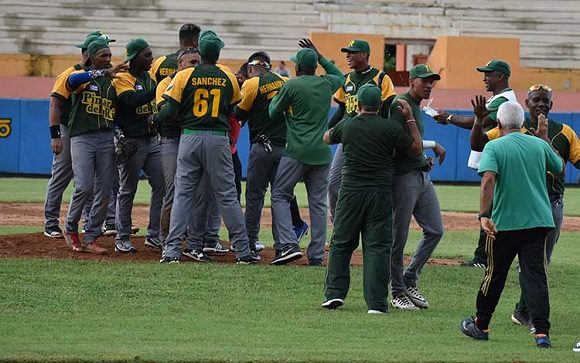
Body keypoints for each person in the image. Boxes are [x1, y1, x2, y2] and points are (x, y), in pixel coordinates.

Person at [470, 84, 580, 331]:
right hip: (528, 210)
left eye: (545, 100)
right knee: (533, 268)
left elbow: (572, 163)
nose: (541, 104)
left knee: (538, 264)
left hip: (550, 204)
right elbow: (478, 143)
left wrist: (544, 140)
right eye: (536, 100)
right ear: (527, 104)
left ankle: (517, 313)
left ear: (551, 104)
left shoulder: (564, 131)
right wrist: (478, 121)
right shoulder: (512, 128)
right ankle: (533, 320)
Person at [459, 101, 564, 349]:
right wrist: (544, 138)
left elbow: (488, 180)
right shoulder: (539, 144)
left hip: (504, 224)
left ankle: (481, 325)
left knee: (494, 275)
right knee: (536, 277)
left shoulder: (495, 146)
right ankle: (541, 332)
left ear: (498, 124)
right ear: (522, 123)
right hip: (538, 222)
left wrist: (484, 214)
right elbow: (559, 167)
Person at [154, 30, 259, 264]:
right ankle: (243, 252)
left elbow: (169, 110)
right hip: (217, 137)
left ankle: (171, 252)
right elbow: (233, 109)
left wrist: (156, 118)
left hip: (189, 137)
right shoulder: (226, 76)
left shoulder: (184, 76)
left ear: (200, 52)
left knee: (182, 195)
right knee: (227, 196)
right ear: (218, 52)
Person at [321, 84, 423, 313]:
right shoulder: (389, 128)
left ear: (358, 104)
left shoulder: (348, 125)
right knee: (378, 247)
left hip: (350, 193)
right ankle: (376, 303)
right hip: (379, 193)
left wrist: (346, 120)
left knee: (341, 242)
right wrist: (409, 119)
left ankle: (334, 294)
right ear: (380, 104)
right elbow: (416, 149)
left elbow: (327, 138)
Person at [268, 40, 345, 266]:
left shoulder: (291, 86)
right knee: (318, 204)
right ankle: (317, 256)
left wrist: (286, 108)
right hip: (322, 152)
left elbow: (273, 113)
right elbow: (340, 76)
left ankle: (290, 244)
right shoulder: (325, 83)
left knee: (280, 195)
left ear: (298, 68)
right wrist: (320, 56)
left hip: (296, 151)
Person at [434, 60, 516, 268]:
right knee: (492, 209)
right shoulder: (500, 98)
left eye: (489, 74)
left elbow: (478, 120)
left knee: (489, 210)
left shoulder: (504, 99)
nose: (484, 78)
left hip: (499, 162)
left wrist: (449, 118)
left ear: (501, 76)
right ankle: (488, 257)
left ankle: (483, 259)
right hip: (499, 160)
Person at [234, 51, 309, 254]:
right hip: (286, 148)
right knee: (281, 197)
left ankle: (249, 242)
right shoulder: (286, 82)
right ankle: (283, 245)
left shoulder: (252, 84)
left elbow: (239, 113)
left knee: (255, 196)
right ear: (269, 66)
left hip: (262, 147)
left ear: (251, 69)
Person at [44, 30, 115, 238]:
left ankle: (89, 222)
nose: (108, 55)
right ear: (88, 52)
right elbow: (55, 105)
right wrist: (55, 135)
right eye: (103, 48)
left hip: (94, 132)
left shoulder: (105, 76)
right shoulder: (71, 73)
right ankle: (51, 222)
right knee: (62, 175)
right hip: (69, 129)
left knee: (90, 182)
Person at [390, 64, 446, 311]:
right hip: (403, 178)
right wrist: (422, 153)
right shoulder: (399, 105)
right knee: (397, 237)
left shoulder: (416, 108)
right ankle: (397, 290)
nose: (429, 85)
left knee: (435, 230)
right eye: (424, 81)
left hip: (422, 175)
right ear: (411, 80)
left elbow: (414, 143)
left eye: (432, 82)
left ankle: (409, 279)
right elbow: (399, 143)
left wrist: (425, 156)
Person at [62, 39, 127, 253]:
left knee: (105, 189)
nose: (108, 59)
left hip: (106, 137)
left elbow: (113, 115)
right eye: (103, 55)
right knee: (84, 186)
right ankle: (70, 228)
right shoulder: (82, 76)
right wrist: (101, 73)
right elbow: (71, 82)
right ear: (91, 57)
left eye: (109, 55)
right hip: (82, 137)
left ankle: (91, 236)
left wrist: (120, 135)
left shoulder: (111, 83)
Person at [327, 39, 397, 220]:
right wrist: (327, 129)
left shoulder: (381, 77)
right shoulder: (347, 79)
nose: (348, 55)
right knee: (334, 186)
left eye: (352, 52)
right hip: (349, 139)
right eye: (347, 52)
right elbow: (341, 111)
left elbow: (388, 109)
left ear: (364, 55)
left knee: (376, 189)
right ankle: (338, 230)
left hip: (374, 142)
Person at [113, 38, 165, 253]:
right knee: (127, 190)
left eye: (150, 54)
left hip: (151, 139)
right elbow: (132, 102)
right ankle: (122, 237)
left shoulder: (150, 76)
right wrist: (160, 87)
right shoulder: (122, 77)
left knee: (162, 185)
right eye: (146, 55)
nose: (150, 58)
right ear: (133, 58)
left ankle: (153, 235)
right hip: (131, 140)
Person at [157, 47, 200, 250]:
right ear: (179, 64)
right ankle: (164, 236)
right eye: (192, 62)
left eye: (198, 62)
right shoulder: (166, 83)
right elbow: (165, 113)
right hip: (172, 139)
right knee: (173, 189)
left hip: (190, 138)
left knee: (197, 190)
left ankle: (192, 236)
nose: (196, 66)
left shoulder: (196, 82)